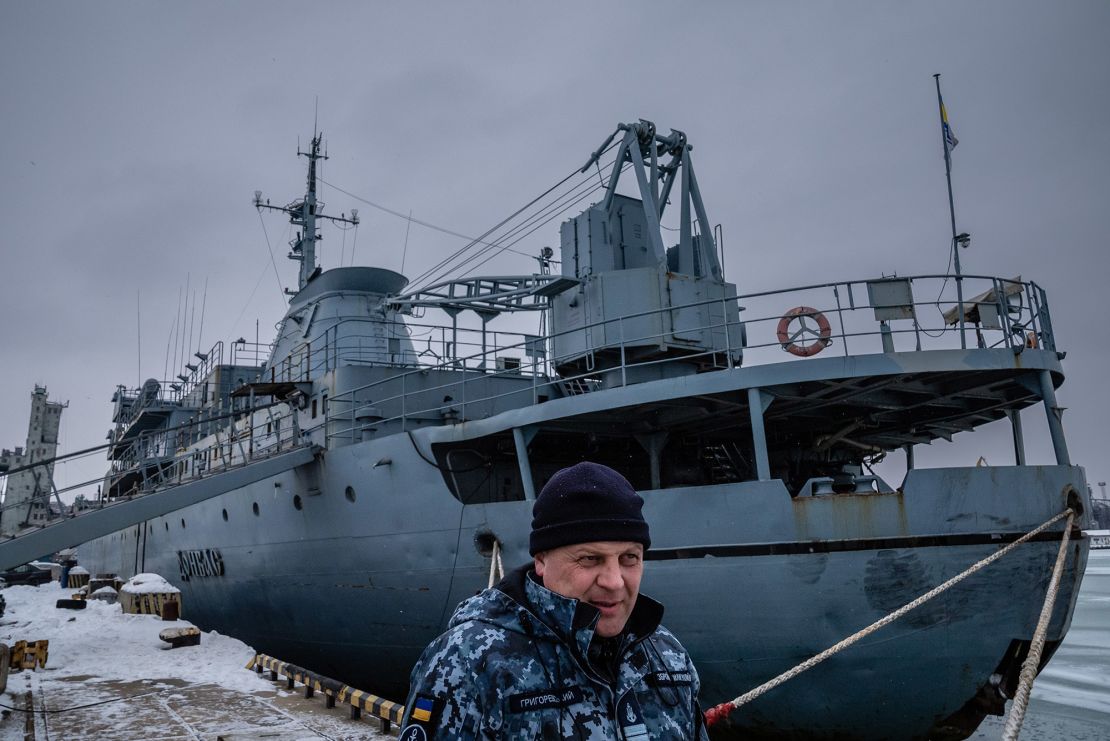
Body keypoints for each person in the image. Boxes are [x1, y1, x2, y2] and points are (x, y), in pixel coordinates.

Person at [400, 461, 708, 739]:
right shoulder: (469, 664)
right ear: (542, 560)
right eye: (590, 559)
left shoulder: (667, 657)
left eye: (629, 558)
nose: (614, 582)